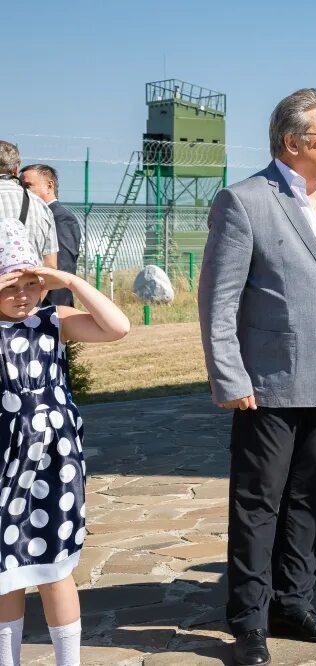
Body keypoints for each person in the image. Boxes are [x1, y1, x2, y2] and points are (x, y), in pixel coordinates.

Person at [198, 88, 316, 666]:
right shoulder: (245, 201)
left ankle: (294, 603)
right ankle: (249, 620)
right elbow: (218, 301)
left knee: (308, 498)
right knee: (259, 503)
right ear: (292, 142)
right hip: (268, 384)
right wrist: (230, 378)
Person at [0, 216, 129, 666]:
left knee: (55, 569)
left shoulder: (52, 320)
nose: (23, 295)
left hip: (54, 464)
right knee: (8, 572)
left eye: (32, 284)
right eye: (10, 286)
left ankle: (67, 661)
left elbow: (117, 327)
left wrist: (68, 280)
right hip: (4, 466)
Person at [20, 165, 82, 306]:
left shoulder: (60, 218)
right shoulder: (37, 216)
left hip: (51, 307)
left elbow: (62, 269)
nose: (22, 191)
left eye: (28, 186)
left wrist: (45, 310)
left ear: (50, 185)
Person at [0, 142, 59, 273]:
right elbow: (50, 266)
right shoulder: (41, 206)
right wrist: (33, 293)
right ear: (16, 169)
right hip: (28, 291)